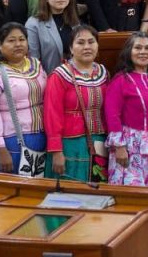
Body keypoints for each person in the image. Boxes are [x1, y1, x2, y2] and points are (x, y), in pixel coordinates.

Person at [0, 22, 47, 173]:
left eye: (22, 39)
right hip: (8, 143)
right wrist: (0, 148)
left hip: (39, 137)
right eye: (11, 40)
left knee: (33, 192)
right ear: (0, 45)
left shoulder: (36, 65)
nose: (18, 44)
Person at [43, 24, 110, 182]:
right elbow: (52, 114)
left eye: (91, 42)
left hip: (99, 142)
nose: (87, 47)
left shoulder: (103, 73)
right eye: (80, 43)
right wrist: (56, 150)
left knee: (97, 194)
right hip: (70, 145)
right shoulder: (60, 76)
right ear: (71, 49)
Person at [104, 32, 148, 187]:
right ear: (129, 52)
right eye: (138, 47)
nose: (143, 52)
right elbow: (112, 115)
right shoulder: (121, 80)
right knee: (133, 195)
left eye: (147, 48)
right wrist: (119, 147)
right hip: (130, 150)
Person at [26, 0, 80, 74]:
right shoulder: (33, 24)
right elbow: (34, 62)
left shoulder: (75, 23)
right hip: (48, 79)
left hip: (75, 79)